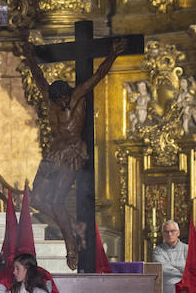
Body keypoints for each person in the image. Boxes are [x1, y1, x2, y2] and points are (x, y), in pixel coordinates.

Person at [18, 35, 126, 270]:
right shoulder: (49, 97)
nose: (63, 104)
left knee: (57, 202)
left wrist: (112, 55)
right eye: (58, 101)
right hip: (53, 153)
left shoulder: (77, 95)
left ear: (69, 94)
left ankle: (71, 247)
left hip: (72, 152)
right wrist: (29, 57)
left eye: (64, 100)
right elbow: (38, 76)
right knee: (36, 199)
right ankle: (74, 226)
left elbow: (98, 76)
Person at [153, 220, 188, 293]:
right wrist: (182, 269)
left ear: (178, 233)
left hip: (184, 292)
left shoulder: (187, 249)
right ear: (162, 234)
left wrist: (170, 264)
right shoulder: (157, 250)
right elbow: (162, 268)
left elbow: (190, 269)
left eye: (172, 231)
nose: (169, 234)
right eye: (166, 231)